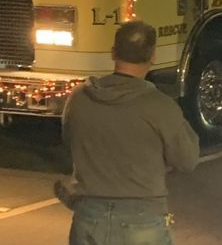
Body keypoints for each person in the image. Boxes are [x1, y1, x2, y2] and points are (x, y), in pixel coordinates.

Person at [61, 20, 200, 245]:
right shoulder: (160, 106)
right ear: (152, 56)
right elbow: (187, 160)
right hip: (142, 216)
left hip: (89, 214)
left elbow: (69, 141)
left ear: (113, 52)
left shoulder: (79, 98)